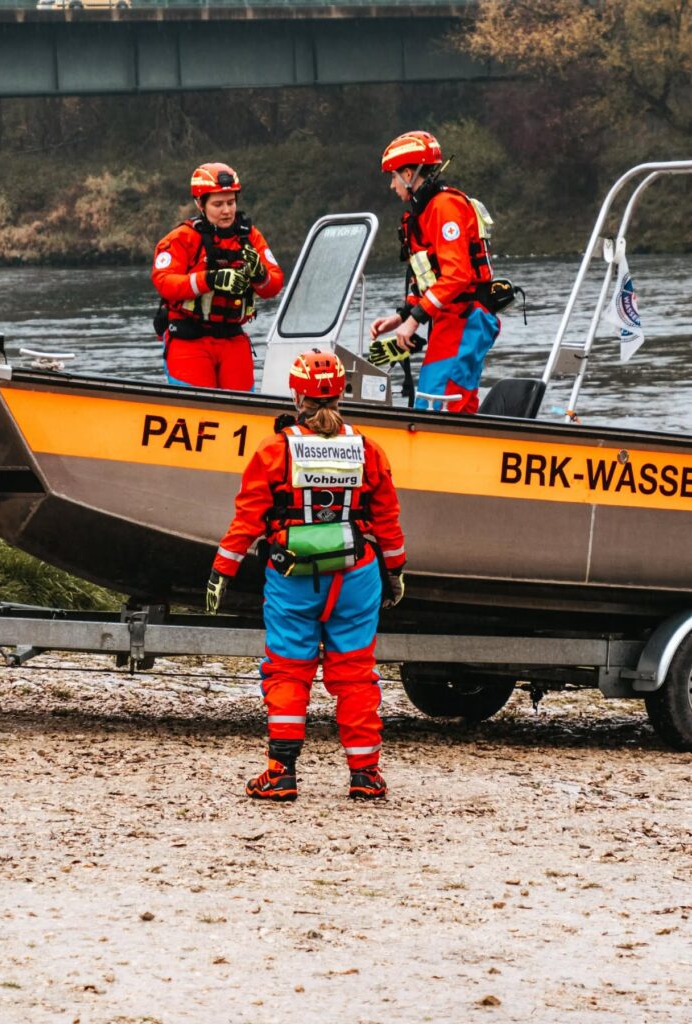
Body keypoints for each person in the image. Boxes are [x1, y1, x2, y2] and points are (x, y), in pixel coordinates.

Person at [205, 350, 406, 802]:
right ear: (341, 394)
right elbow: (387, 520)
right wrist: (395, 570)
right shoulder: (368, 449)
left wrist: (222, 571)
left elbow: (248, 519)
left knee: (288, 670)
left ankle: (280, 773)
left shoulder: (274, 450)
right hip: (357, 573)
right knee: (355, 673)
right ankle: (366, 775)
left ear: (296, 395)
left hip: (294, 572)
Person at [369, 130, 500, 413]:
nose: (392, 185)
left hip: (465, 318)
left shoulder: (444, 207)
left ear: (408, 174)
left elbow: (457, 275)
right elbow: (430, 279)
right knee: (449, 403)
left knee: (435, 404)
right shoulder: (424, 212)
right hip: (450, 319)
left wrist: (415, 320)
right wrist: (402, 316)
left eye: (393, 177)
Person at [151, 162, 284, 391]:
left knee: (243, 405)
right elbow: (164, 282)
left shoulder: (250, 237)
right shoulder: (182, 238)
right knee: (197, 405)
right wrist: (211, 280)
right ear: (200, 204)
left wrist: (259, 274)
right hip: (189, 338)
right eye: (218, 204)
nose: (227, 211)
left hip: (232, 338)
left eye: (231, 202)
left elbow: (274, 285)